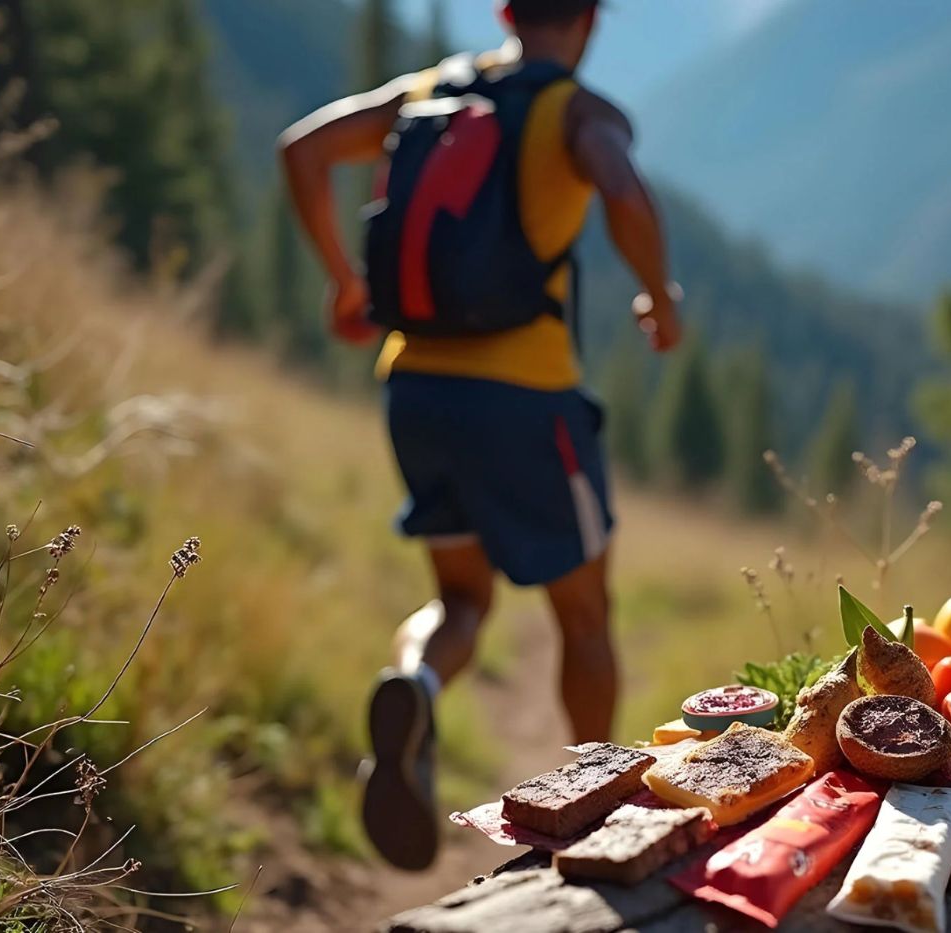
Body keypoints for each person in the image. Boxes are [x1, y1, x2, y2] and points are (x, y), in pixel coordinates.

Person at [278, 0, 681, 871]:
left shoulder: (428, 89)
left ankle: (417, 684)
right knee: (582, 615)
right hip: (526, 401)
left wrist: (347, 283)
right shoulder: (576, 111)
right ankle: (592, 802)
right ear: (592, 20)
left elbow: (302, 149)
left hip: (416, 388)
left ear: (503, 9)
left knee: (461, 600)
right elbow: (622, 189)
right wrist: (660, 294)